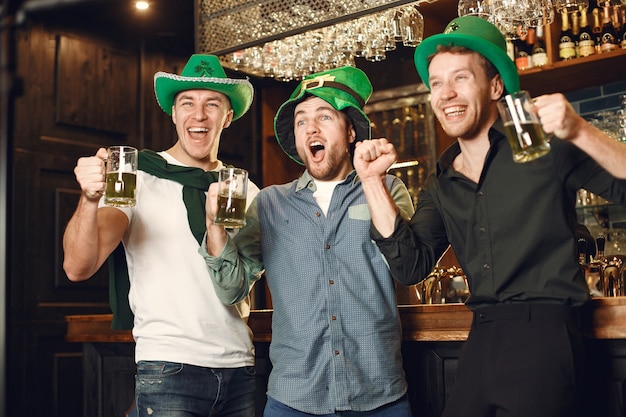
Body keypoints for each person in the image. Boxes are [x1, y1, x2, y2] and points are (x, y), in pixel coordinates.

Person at [353, 15, 626, 417]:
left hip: (546, 332)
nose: (446, 94)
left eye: (461, 78)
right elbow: (411, 266)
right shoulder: (443, 179)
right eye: (437, 83)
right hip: (480, 334)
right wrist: (372, 182)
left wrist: (581, 130)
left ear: (496, 85)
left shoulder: (546, 146)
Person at [200, 66, 416, 417]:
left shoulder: (388, 190)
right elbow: (231, 289)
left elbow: (409, 266)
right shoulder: (270, 204)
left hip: (379, 395)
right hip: (294, 399)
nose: (310, 128)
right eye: (301, 121)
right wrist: (215, 227)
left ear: (350, 132)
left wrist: (373, 181)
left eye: (324, 116)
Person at [62, 54, 260, 417]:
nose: (198, 115)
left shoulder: (245, 191)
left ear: (227, 117)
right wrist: (90, 199)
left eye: (211, 104)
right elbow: (78, 266)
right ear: (173, 113)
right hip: (170, 367)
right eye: (187, 103)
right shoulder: (134, 178)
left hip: (241, 368)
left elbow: (243, 282)